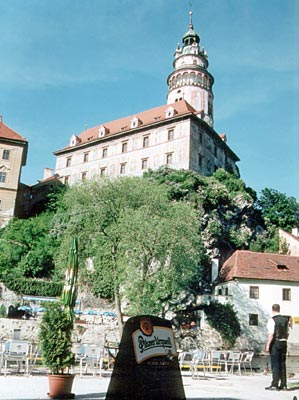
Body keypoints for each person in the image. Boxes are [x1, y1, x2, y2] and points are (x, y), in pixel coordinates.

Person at [265, 303, 289, 391]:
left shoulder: (272, 320)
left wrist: (268, 345)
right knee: (282, 363)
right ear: (279, 309)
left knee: (275, 364)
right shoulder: (285, 320)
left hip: (276, 342)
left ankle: (275, 384)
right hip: (284, 342)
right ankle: (284, 384)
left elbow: (271, 334)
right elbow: (287, 333)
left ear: (272, 309)